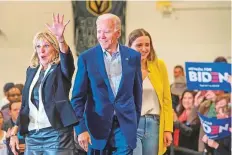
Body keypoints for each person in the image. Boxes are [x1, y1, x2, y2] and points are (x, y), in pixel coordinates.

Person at [71, 13, 142, 155]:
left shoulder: (133, 56)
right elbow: (77, 98)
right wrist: (80, 129)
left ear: (118, 33)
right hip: (95, 130)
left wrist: (134, 120)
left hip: (125, 128)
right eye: (99, 31)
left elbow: (137, 93)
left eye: (106, 32)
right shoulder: (86, 58)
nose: (101, 36)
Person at [9, 13, 78, 155]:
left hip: (56, 133)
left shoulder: (61, 69)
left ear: (55, 48)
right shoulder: (32, 71)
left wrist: (60, 39)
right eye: (38, 46)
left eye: (46, 45)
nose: (42, 50)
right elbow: (25, 105)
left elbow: (67, 59)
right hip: (33, 135)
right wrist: (15, 131)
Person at [127, 28, 173, 155]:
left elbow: (166, 100)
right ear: (130, 47)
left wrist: (168, 129)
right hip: (132, 123)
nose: (144, 49)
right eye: (139, 45)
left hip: (154, 124)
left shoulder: (159, 65)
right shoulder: (124, 66)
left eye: (147, 45)